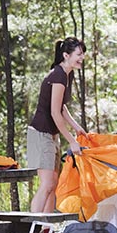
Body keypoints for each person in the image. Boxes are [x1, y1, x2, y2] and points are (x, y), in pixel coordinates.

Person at [28, 36, 87, 213]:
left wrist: (77, 128)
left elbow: (61, 108)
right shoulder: (58, 75)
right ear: (66, 55)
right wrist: (71, 140)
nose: (82, 58)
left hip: (51, 135)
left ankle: (47, 232)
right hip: (40, 134)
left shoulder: (66, 74)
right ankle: (33, 229)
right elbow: (54, 112)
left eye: (83, 54)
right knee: (46, 185)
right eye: (78, 54)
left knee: (53, 185)